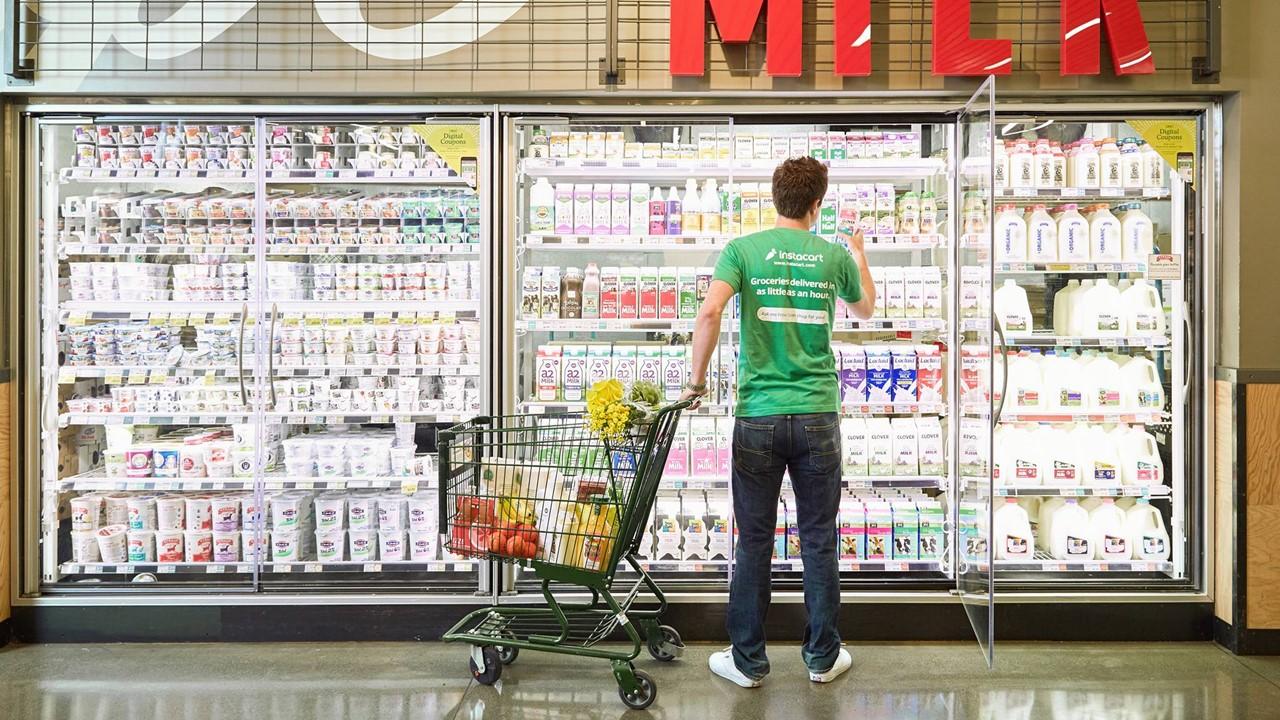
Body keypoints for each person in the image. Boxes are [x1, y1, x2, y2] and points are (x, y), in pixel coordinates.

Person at [679, 156, 876, 687]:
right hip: (817, 415)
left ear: (774, 199)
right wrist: (858, 256)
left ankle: (747, 662)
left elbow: (709, 313)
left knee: (754, 540)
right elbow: (865, 312)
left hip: (758, 416)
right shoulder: (832, 255)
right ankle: (821, 658)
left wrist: (695, 385)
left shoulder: (743, 250)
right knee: (818, 539)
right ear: (817, 205)